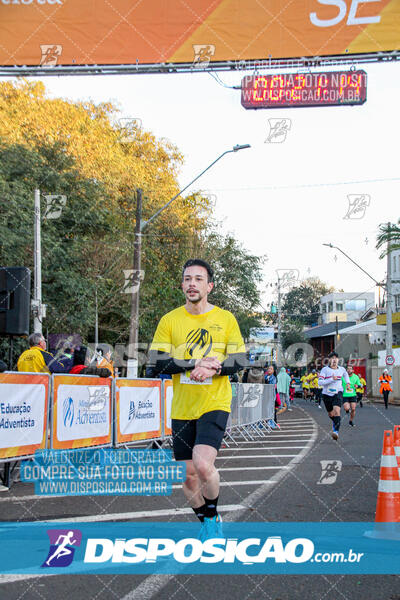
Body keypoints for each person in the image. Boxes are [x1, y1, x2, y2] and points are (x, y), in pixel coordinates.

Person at [146, 258, 245, 540]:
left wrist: (213, 367)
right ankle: (207, 520)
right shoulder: (170, 320)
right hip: (182, 406)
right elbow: (157, 364)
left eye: (199, 279)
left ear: (209, 286)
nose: (192, 283)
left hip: (215, 402)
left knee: (203, 466)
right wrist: (193, 363)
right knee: (188, 477)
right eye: (188, 279)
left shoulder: (225, 319)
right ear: (182, 285)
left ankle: (212, 519)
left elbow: (239, 361)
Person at [318, 351, 351, 440]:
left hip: (338, 393)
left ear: (338, 360)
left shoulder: (342, 369)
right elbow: (320, 382)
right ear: (329, 360)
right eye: (332, 358)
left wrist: (348, 383)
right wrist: (331, 380)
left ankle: (336, 431)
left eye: (335, 358)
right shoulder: (325, 370)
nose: (334, 360)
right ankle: (335, 422)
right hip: (326, 394)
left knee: (337, 411)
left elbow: (346, 375)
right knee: (331, 414)